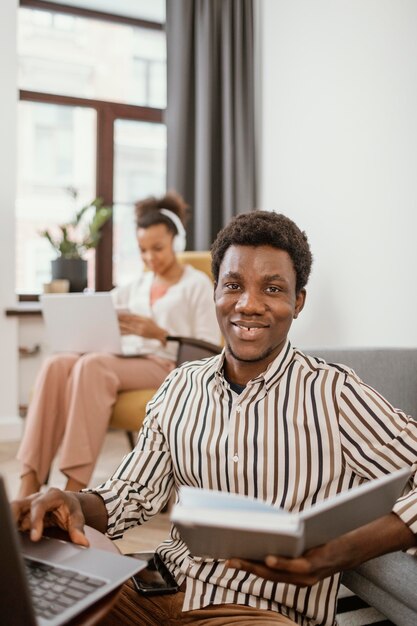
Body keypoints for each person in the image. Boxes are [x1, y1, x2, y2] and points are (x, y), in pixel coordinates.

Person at [12, 211, 417, 626]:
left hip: (257, 614)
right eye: (234, 285)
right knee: (26, 596)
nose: (248, 304)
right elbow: (130, 494)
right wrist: (73, 502)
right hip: (155, 594)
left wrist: (342, 552)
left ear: (298, 302)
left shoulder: (335, 394)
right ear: (216, 290)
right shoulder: (179, 386)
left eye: (273, 289)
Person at [17, 191, 220, 498]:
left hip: (167, 364)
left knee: (93, 366)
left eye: (158, 248)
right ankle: (28, 483)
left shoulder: (197, 285)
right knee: (57, 363)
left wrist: (160, 333)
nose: (150, 258)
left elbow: (207, 345)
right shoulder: (134, 286)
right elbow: (95, 316)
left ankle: (72, 492)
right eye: (143, 251)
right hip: (124, 360)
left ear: (176, 243)